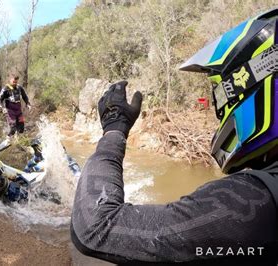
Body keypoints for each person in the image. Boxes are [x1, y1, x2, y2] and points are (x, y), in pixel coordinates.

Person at [71, 9, 278, 266]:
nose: (219, 112)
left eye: (222, 97)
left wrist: (114, 130)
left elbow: (95, 227)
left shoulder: (254, 203)